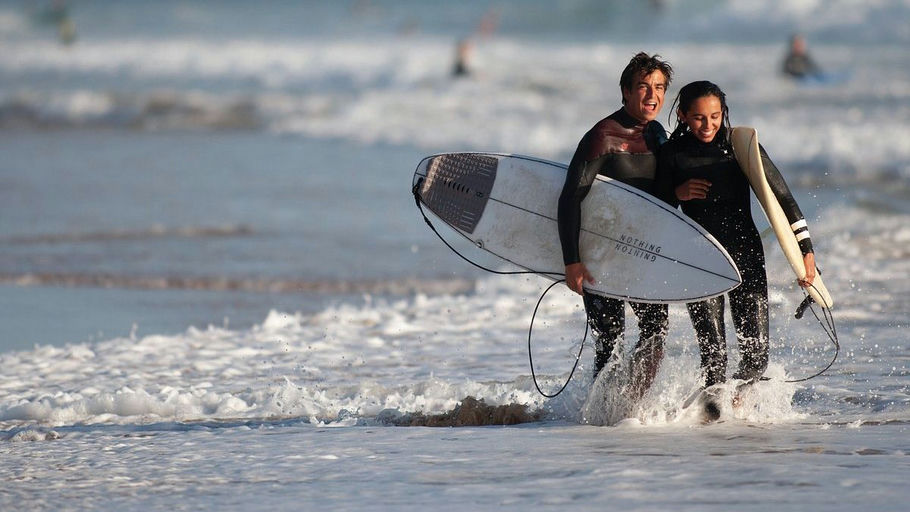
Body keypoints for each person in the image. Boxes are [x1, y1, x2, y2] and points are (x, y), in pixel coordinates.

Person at [655, 81, 817, 414]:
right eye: (699, 117)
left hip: (745, 256)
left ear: (724, 113)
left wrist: (806, 251)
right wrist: (679, 193)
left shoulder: (739, 146)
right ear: (684, 115)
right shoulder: (673, 154)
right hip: (701, 260)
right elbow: (655, 209)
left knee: (756, 358)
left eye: (715, 116)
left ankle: (737, 416)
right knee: (713, 359)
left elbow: (783, 198)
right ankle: (713, 429)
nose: (708, 125)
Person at [557, 52, 673, 401]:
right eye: (642, 87)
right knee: (610, 338)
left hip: (644, 254)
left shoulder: (658, 135)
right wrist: (572, 261)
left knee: (656, 333)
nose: (652, 95)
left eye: (659, 87)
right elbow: (569, 199)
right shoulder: (603, 136)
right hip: (601, 253)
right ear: (625, 91)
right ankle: (599, 415)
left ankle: (628, 409)